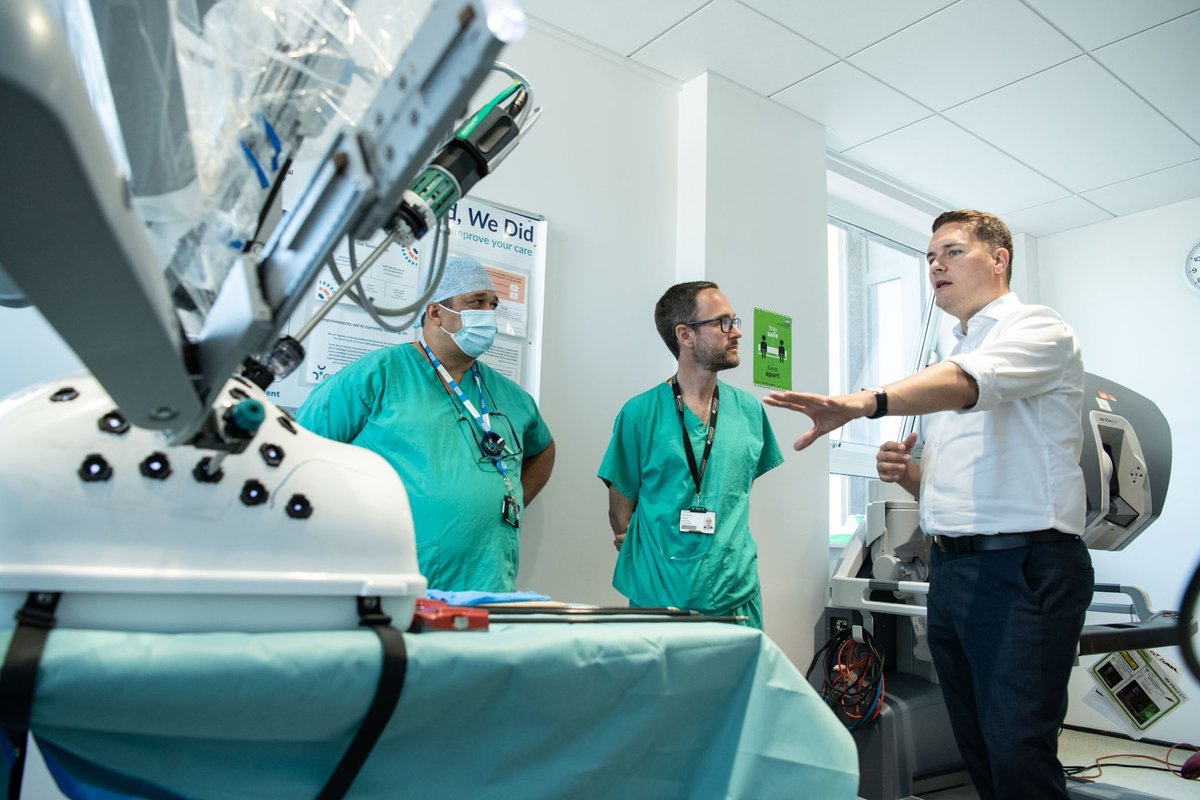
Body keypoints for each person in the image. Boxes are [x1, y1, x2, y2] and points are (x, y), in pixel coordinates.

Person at [764, 210, 1091, 799]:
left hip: (1024, 567)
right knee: (980, 748)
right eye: (928, 256)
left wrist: (867, 401)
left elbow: (969, 383)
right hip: (957, 569)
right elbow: (967, 488)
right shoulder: (957, 350)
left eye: (952, 251)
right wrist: (914, 477)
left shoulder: (1037, 328)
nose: (935, 264)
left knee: (1018, 749)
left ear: (999, 259)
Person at [296, 256, 556, 592]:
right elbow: (301, 446)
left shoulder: (511, 397)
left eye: (493, 305)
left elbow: (543, 449)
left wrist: (514, 497)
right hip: (395, 579)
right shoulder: (378, 376)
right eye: (476, 302)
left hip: (488, 578)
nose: (488, 315)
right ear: (435, 313)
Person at [598, 281, 783, 629]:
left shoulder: (749, 412)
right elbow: (620, 515)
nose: (737, 332)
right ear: (685, 335)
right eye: (723, 323)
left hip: (736, 597)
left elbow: (730, 494)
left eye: (735, 320)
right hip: (658, 598)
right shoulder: (640, 415)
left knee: (736, 683)